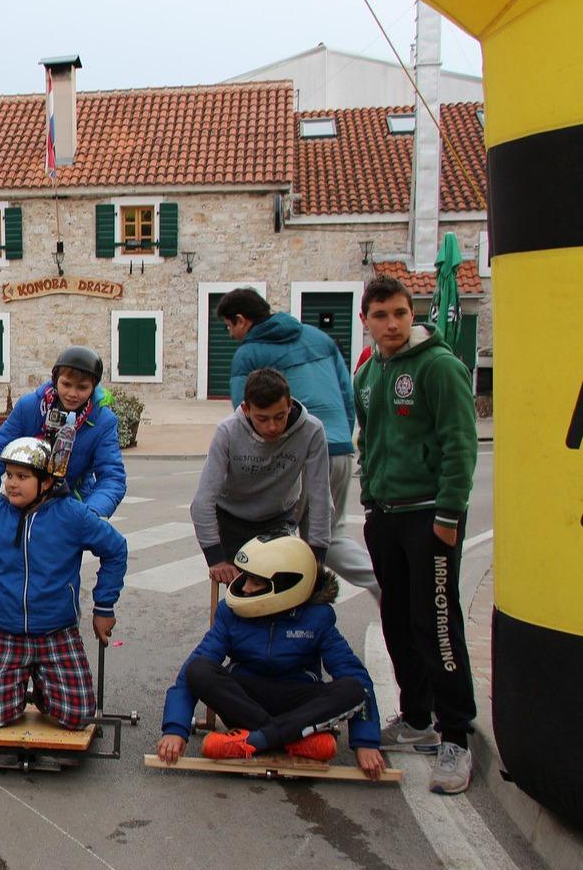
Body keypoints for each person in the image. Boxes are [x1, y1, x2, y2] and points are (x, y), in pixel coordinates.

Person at [354, 274, 479, 795]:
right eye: (380, 315)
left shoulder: (439, 367)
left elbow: (459, 445)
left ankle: (456, 736)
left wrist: (448, 517)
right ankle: (417, 718)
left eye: (400, 313)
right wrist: (368, 500)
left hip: (429, 517)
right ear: (365, 320)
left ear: (413, 313)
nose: (392, 324)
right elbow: (372, 437)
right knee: (398, 621)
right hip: (385, 514)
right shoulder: (368, 371)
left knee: (437, 624)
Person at [155, 535, 386, 780]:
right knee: (198, 669)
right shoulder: (231, 613)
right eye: (246, 577)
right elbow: (193, 671)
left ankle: (256, 739)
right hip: (246, 701)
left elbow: (355, 678)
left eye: (255, 581)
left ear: (287, 584)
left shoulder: (318, 617)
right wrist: (175, 729)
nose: (244, 587)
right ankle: (292, 738)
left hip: (298, 698)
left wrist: (366, 742)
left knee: (354, 687)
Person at [0, 437, 127, 731]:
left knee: (78, 717)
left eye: (22, 476)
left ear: (46, 482)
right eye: (8, 475)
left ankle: (46, 691)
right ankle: (16, 689)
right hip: (2, 630)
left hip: (56, 631)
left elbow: (115, 549)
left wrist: (104, 606)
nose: (11, 483)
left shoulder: (72, 515)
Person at [219, 287, 379, 599]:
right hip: (339, 447)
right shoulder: (318, 338)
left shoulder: (248, 354)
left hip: (300, 452)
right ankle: (376, 582)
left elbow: (246, 416)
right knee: (330, 535)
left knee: (289, 540)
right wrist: (342, 438)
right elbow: (348, 395)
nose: (230, 335)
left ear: (241, 320)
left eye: (229, 326)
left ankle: (296, 621)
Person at [190, 368, 333, 585]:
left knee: (282, 592)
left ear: (290, 406)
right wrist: (216, 559)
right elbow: (202, 502)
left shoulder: (312, 431)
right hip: (231, 519)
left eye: (280, 416)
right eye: (262, 419)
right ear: (247, 410)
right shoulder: (227, 431)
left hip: (278, 518)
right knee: (243, 597)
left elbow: (320, 498)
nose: (272, 427)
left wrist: (318, 556)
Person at [0, 345, 126, 515]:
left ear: (93, 388)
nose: (72, 393)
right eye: (66, 384)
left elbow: (112, 478)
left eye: (82, 387)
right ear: (55, 379)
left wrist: (90, 515)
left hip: (72, 509)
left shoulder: (103, 421)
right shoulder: (30, 407)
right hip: (22, 505)